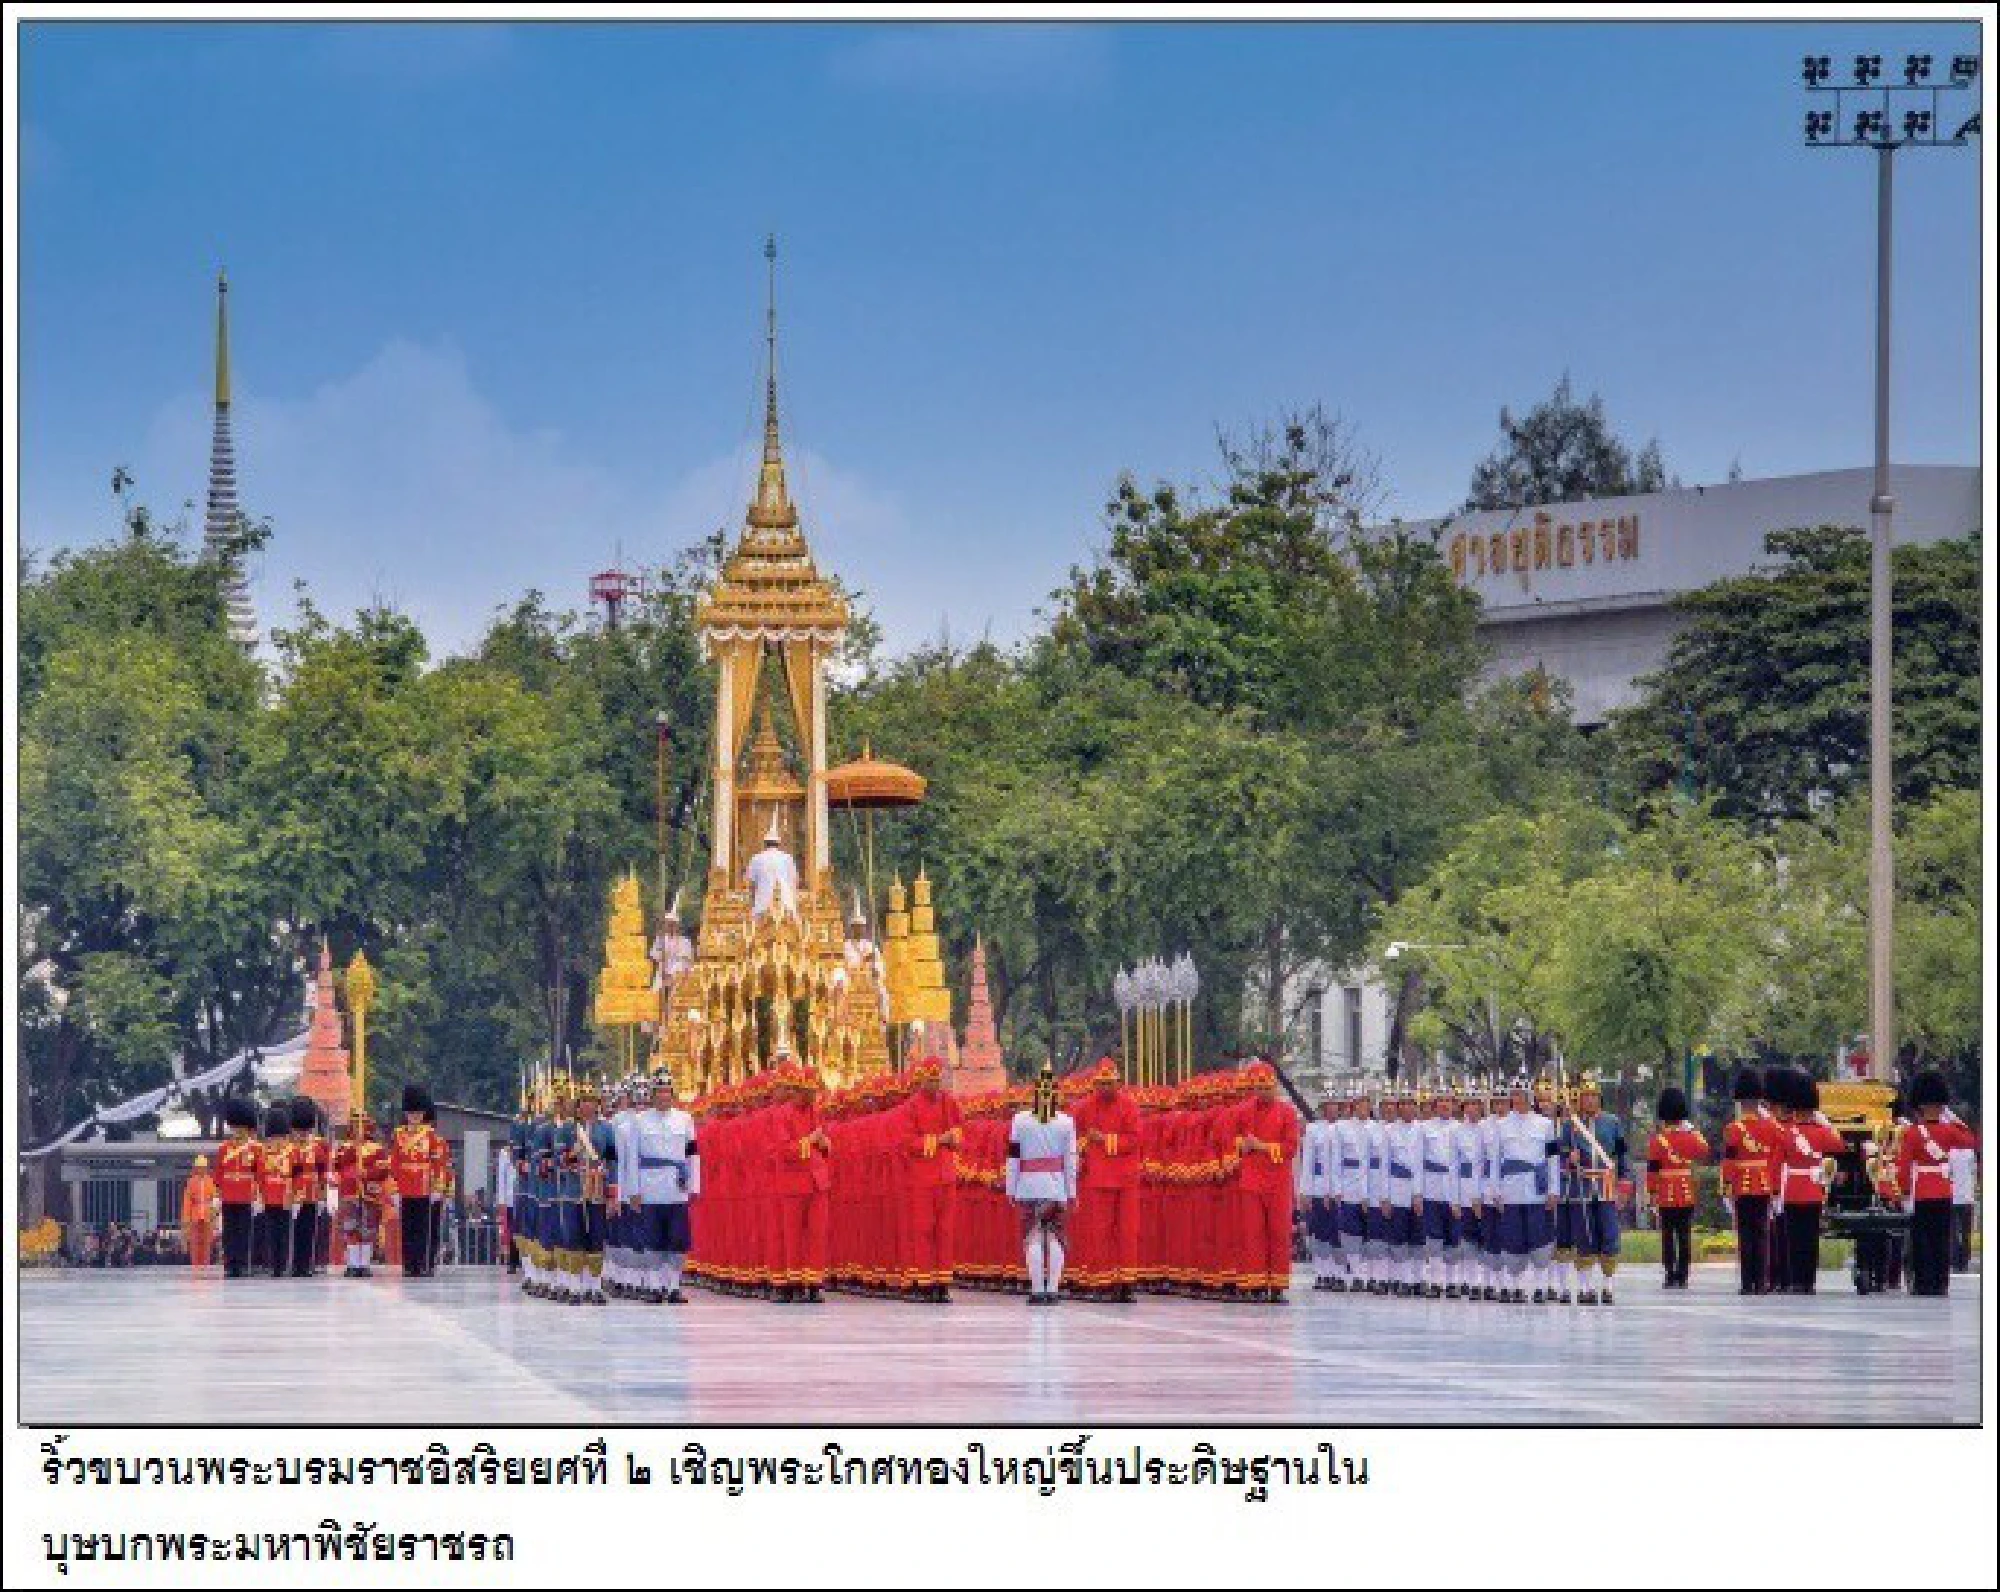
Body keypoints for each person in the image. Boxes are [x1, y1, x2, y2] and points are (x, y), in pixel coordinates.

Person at [1898, 1071, 1978, 1297]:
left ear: (1919, 1106)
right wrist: (1956, 1121)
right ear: (1941, 1105)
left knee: (1921, 1239)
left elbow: (1904, 1165)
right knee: (1941, 1238)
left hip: (1922, 1189)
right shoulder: (1949, 1130)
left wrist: (1904, 1190)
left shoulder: (1913, 1133)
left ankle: (1924, 1281)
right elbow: (1971, 1141)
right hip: (1943, 1189)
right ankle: (1940, 1282)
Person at [626, 1071, 701, 1304]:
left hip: (676, 1188)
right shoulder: (639, 1121)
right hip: (649, 1189)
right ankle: (656, 1286)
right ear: (652, 1095)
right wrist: (633, 1190)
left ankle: (673, 1285)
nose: (663, 1096)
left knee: (677, 1242)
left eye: (667, 1092)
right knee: (653, 1240)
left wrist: (694, 1185)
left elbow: (692, 1154)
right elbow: (632, 1158)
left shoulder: (685, 1119)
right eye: (659, 1092)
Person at [1006, 1062, 1078, 1305]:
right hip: (1055, 1186)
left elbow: (1013, 1156)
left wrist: (1010, 1187)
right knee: (1055, 1236)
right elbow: (1070, 1160)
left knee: (1033, 1236)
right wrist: (1072, 1191)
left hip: (1028, 1185)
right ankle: (1053, 1288)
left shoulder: (1020, 1121)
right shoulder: (1066, 1122)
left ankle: (1037, 1289)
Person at [893, 1058, 963, 1303]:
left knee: (945, 1230)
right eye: (931, 1081)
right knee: (923, 1229)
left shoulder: (949, 1102)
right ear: (921, 1080)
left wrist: (954, 1137)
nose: (935, 1085)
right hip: (921, 1177)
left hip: (945, 1175)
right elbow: (907, 1143)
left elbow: (959, 1129)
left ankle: (942, 1282)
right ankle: (924, 1281)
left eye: (938, 1080)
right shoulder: (910, 1107)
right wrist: (939, 1140)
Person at [1772, 1068, 1844, 1295]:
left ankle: (1796, 1281)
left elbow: (1775, 1163)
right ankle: (1809, 1281)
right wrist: (1825, 1124)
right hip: (1814, 1190)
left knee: (1794, 1238)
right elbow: (1839, 1146)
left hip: (1793, 1189)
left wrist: (1775, 1191)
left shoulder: (1785, 1132)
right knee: (1811, 1238)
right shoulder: (1821, 1132)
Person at [1494, 1076, 1561, 1304]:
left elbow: (1553, 1159)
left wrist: (1554, 1189)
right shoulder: (1500, 1125)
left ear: (1530, 1098)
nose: (1517, 1099)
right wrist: (1496, 1191)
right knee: (1513, 1240)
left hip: (1537, 1191)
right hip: (1511, 1190)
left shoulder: (1545, 1125)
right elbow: (1495, 1161)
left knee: (1540, 1240)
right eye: (1514, 1095)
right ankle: (1516, 1288)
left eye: (1521, 1095)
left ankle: (1541, 1287)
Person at [769, 1063, 833, 1303]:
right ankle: (792, 1283)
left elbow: (823, 1142)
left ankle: (814, 1282)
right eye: (809, 1092)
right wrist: (810, 1141)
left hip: (817, 1181)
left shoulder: (815, 1112)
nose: (812, 1097)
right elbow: (784, 1150)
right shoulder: (782, 1115)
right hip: (793, 1182)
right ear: (799, 1091)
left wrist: (825, 1143)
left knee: (817, 1233)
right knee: (792, 1235)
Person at [1563, 1074, 1627, 1305]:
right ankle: (1585, 1287)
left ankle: (1608, 1285)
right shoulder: (1570, 1125)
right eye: (1585, 1097)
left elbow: (1621, 1154)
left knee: (1609, 1234)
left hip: (1606, 1184)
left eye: (1593, 1097)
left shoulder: (1613, 1122)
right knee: (1584, 1235)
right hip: (1580, 1185)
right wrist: (1569, 1157)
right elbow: (1558, 1152)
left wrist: (1625, 1183)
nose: (1589, 1101)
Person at [1720, 1068, 1781, 1295]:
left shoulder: (1733, 1129)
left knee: (1745, 1235)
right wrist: (1775, 1186)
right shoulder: (1772, 1127)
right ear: (1758, 1100)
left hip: (1742, 1185)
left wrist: (1727, 1185)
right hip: (1764, 1183)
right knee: (1762, 1233)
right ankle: (1762, 1282)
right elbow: (1777, 1157)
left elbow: (1729, 1161)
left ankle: (1747, 1283)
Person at [1646, 1088, 1708, 1290]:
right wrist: (1691, 1130)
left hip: (1665, 1192)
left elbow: (1652, 1171)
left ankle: (1670, 1273)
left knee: (1667, 1235)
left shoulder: (1658, 1140)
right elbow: (1704, 1149)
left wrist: (1652, 1193)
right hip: (1685, 1190)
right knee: (1684, 1235)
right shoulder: (1690, 1137)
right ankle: (1683, 1275)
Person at [391, 1084, 450, 1279]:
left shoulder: (432, 1136)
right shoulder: (399, 1135)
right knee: (407, 1227)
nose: (414, 1116)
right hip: (406, 1185)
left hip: (425, 1184)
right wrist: (394, 1188)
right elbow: (395, 1162)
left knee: (424, 1227)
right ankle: (409, 1264)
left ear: (423, 1113)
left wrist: (437, 1188)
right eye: (411, 1113)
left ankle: (424, 1263)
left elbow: (439, 1163)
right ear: (406, 1113)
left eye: (417, 1113)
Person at [214, 1097, 264, 1279]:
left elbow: (260, 1173)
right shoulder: (224, 1148)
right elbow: (219, 1172)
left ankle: (242, 1263)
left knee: (243, 1231)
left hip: (245, 1194)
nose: (237, 1131)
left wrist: (259, 1195)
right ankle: (230, 1263)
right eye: (234, 1128)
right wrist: (217, 1195)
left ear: (247, 1128)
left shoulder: (255, 1148)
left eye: (240, 1128)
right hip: (228, 1194)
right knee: (229, 1232)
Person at [1297, 1095, 1340, 1293]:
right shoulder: (1314, 1129)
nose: (1331, 1109)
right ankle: (1322, 1273)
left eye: (1334, 1106)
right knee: (1320, 1233)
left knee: (1337, 1234)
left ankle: (1337, 1274)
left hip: (1340, 1189)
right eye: (1328, 1106)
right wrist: (1304, 1191)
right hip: (1318, 1186)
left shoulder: (1344, 1128)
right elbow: (1308, 1163)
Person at [286, 1097, 330, 1278]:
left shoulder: (319, 1145)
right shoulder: (286, 1146)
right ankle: (291, 1264)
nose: (302, 1134)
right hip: (290, 1195)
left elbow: (323, 1172)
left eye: (305, 1130)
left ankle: (305, 1264)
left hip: (312, 1194)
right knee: (290, 1231)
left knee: (308, 1231)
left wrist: (322, 1195)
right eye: (299, 1130)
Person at [256, 1105, 296, 1278]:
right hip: (269, 1195)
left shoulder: (292, 1151)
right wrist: (258, 1196)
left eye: (279, 1136)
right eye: (274, 1136)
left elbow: (297, 1174)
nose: (277, 1140)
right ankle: (273, 1264)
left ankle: (282, 1263)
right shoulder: (263, 1152)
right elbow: (259, 1175)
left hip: (287, 1195)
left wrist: (298, 1196)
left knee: (284, 1232)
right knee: (271, 1232)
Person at [744, 814, 800, 920]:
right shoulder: (787, 858)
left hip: (762, 907)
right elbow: (795, 882)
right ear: (778, 843)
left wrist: (752, 904)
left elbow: (750, 884)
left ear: (765, 843)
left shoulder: (756, 859)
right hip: (786, 906)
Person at [180, 1154, 219, 1269]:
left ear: (206, 1168)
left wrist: (214, 1215)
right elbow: (187, 1201)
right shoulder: (191, 1182)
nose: (201, 1169)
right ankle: (195, 1266)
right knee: (195, 1243)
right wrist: (186, 1218)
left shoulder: (211, 1182)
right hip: (195, 1215)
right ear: (196, 1168)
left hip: (208, 1215)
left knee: (207, 1243)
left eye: (203, 1167)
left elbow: (215, 1199)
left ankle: (205, 1265)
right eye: (199, 1167)